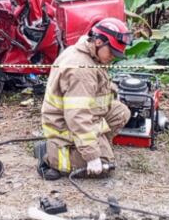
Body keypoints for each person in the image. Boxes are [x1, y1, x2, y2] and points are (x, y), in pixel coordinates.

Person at [35, 18, 132, 180]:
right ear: (99, 42)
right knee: (105, 164)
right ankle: (54, 157)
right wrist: (92, 157)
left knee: (120, 112)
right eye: (112, 52)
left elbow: (95, 91)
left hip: (79, 116)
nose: (113, 57)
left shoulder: (86, 52)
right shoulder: (81, 70)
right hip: (65, 126)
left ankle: (93, 145)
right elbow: (77, 116)